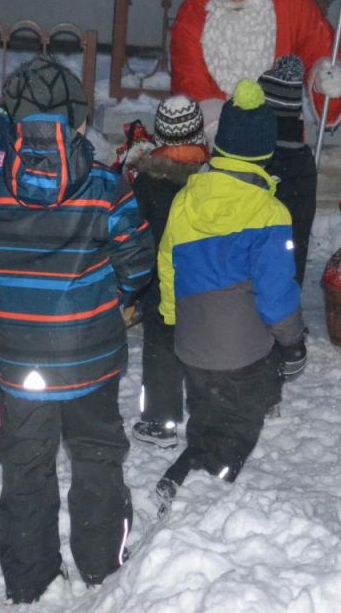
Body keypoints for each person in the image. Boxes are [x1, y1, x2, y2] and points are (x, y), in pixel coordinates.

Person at [0, 56, 155, 604]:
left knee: (26, 463)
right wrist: (109, 298)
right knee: (96, 453)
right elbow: (137, 263)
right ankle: (100, 564)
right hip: (90, 354)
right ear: (78, 119)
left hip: (20, 358)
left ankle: (31, 579)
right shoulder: (106, 187)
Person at [169, 0, 341, 301]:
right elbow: (190, 80)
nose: (236, 0)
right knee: (229, 235)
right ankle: (229, 302)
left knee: (283, 234)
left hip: (283, 142)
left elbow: (321, 47)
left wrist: (326, 76)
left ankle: (280, 303)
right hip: (220, 144)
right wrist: (227, 143)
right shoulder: (194, 12)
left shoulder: (293, 3)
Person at [154, 80, 304, 507]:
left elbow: (167, 264)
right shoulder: (270, 213)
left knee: (208, 416)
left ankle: (188, 474)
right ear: (265, 152)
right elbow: (276, 294)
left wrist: (173, 317)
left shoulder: (186, 199)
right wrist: (293, 342)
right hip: (243, 355)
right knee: (238, 427)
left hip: (192, 343)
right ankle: (196, 493)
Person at [126, 95, 211, 450]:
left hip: (161, 282)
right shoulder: (211, 180)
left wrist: (132, 289)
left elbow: (136, 236)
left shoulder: (147, 182)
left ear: (159, 137)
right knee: (208, 348)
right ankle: (211, 417)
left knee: (161, 348)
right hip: (206, 282)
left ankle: (160, 421)